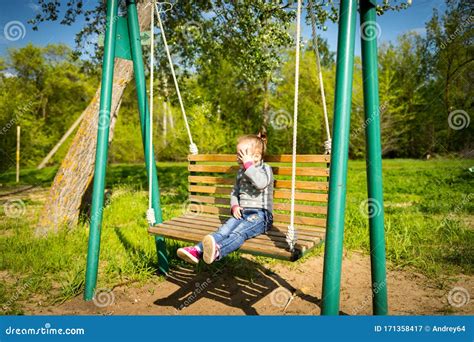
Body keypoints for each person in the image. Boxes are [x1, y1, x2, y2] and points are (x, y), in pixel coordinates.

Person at [177, 132, 274, 264]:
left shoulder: (265, 169)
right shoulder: (240, 173)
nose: (238, 158)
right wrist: (234, 206)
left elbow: (261, 183)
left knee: (239, 232)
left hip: (261, 215)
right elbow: (235, 192)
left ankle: (218, 251)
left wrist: (249, 166)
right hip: (242, 213)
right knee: (223, 231)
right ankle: (196, 250)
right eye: (237, 155)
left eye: (242, 155)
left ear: (256, 156)